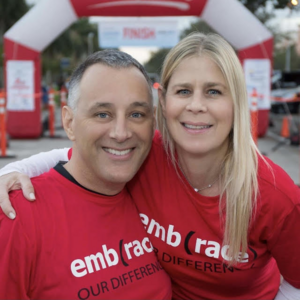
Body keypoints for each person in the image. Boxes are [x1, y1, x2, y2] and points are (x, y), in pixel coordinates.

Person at [0, 33, 299, 300]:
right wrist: (10, 173)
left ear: (236, 102)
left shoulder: (274, 194)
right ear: (164, 101)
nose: (196, 105)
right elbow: (79, 153)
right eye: (183, 91)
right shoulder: (146, 155)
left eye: (213, 91)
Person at [0, 50, 172, 299]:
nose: (121, 133)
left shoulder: (153, 189)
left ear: (153, 122)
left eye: (136, 114)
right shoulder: (18, 215)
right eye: (102, 114)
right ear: (69, 123)